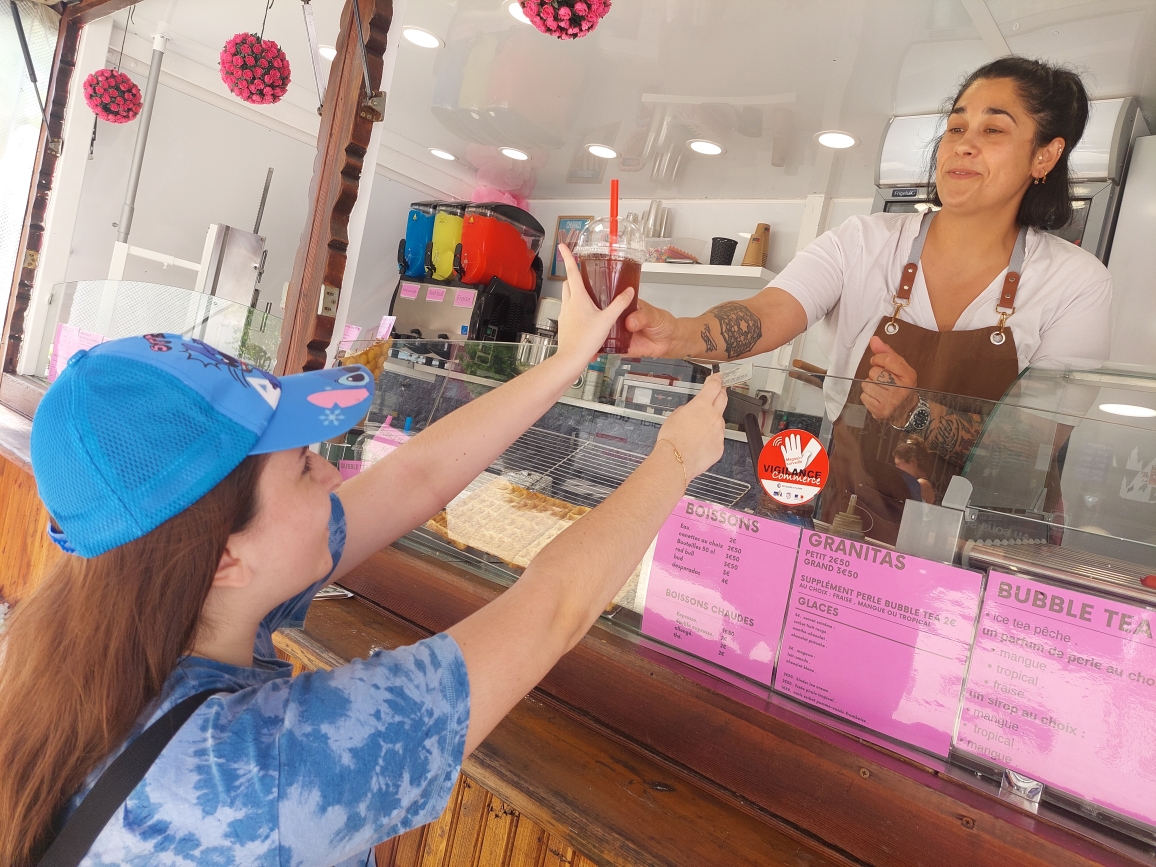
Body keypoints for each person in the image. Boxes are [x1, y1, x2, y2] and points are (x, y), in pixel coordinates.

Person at [0, 245, 727, 867]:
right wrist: (677, 457)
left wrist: (569, 359)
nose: (331, 472)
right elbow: (552, 610)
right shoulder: (257, 776)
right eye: (301, 465)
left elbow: (413, 478)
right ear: (221, 557)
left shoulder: (129, 627)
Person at [624, 57, 1110, 539]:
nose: (964, 145)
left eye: (994, 130)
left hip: (982, 548)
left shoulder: (1074, 281)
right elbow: (771, 311)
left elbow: (1031, 450)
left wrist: (914, 411)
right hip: (854, 527)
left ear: (1044, 156)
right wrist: (679, 334)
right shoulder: (862, 242)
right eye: (956, 128)